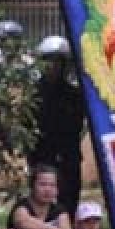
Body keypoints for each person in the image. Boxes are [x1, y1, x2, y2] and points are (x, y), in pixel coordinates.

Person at [30, 35, 87, 219]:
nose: (53, 67)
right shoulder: (33, 94)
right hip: (43, 156)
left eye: (57, 62)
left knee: (69, 199)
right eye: (49, 62)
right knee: (42, 202)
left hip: (68, 157)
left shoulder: (75, 95)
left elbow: (80, 123)